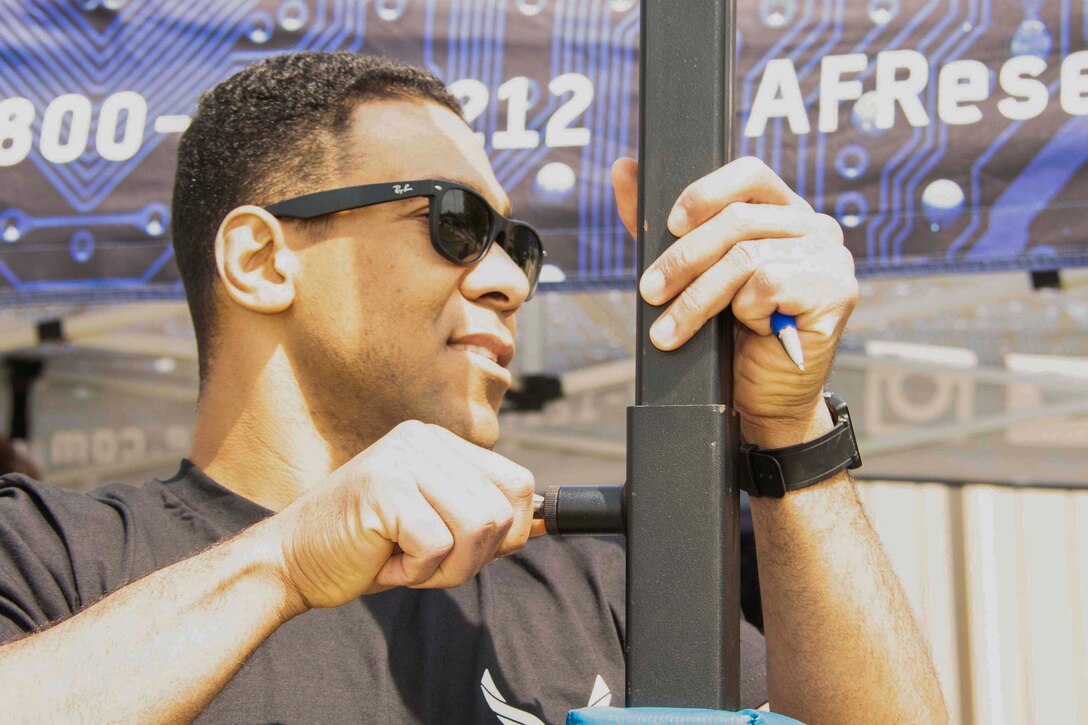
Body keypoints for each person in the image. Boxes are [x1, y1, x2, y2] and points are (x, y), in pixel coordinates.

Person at [0, 52, 945, 723]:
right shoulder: (55, 555)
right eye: (455, 222)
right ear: (260, 260)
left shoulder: (607, 593)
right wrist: (285, 561)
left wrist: (790, 428)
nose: (510, 277)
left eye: (518, 243)